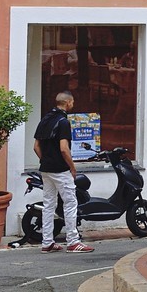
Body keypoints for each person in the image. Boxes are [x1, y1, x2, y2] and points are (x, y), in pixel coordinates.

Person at [33, 91, 93, 253]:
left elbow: (36, 147)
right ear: (67, 102)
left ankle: (47, 242)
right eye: (72, 102)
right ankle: (73, 241)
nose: (73, 104)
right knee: (70, 203)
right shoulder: (63, 122)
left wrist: (45, 160)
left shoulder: (45, 119)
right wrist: (72, 168)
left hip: (45, 170)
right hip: (61, 170)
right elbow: (64, 149)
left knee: (48, 205)